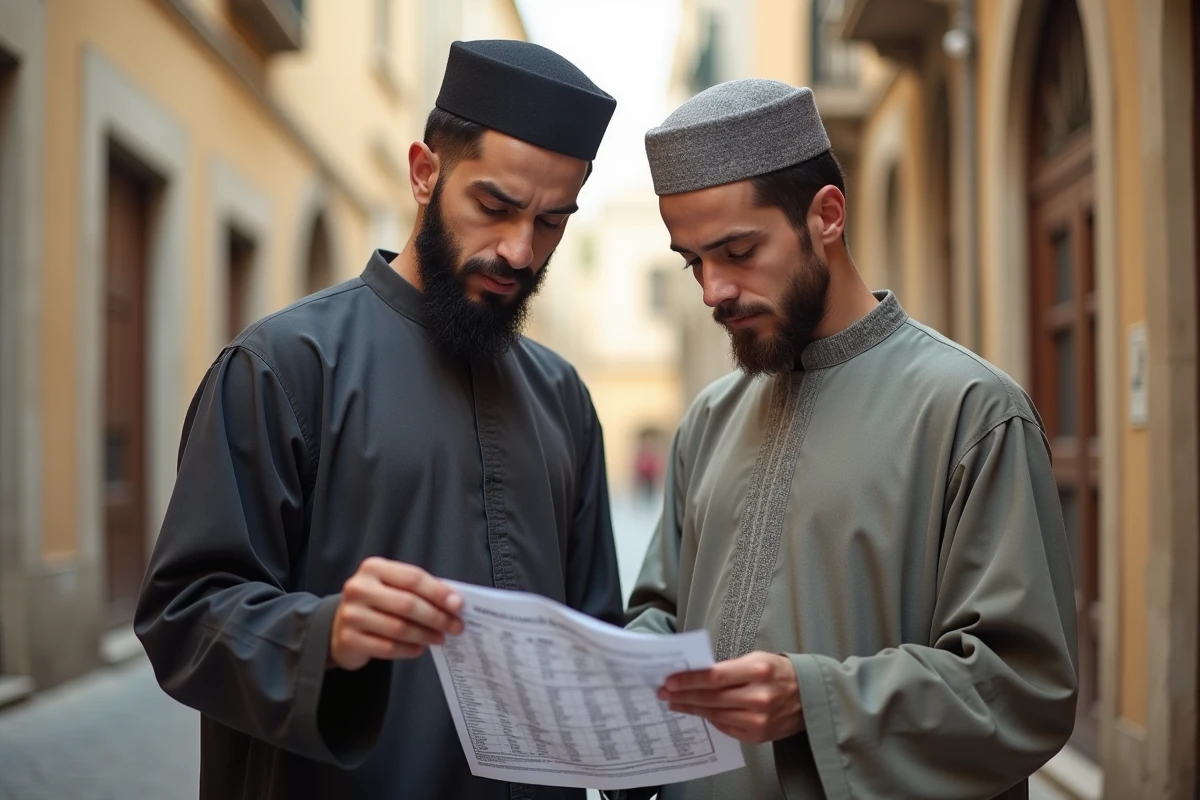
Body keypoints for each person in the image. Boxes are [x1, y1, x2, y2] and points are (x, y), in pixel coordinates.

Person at [134, 40, 622, 800]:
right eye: (493, 207)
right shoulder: (283, 366)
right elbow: (184, 614)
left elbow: (597, 637)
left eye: (551, 223)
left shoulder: (563, 398)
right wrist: (323, 634)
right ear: (424, 173)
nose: (520, 250)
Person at [616, 79, 1079, 799]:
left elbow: (1023, 688)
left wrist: (815, 698)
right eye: (693, 261)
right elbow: (664, 610)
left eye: (738, 251)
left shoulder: (971, 411)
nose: (713, 290)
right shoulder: (709, 418)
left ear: (826, 216)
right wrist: (622, 670)